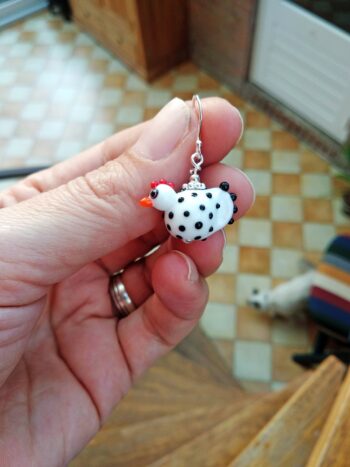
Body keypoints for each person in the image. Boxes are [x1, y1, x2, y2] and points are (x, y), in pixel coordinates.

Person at [0, 97, 254, 466]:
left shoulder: (180, 211)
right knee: (179, 274)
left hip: (212, 205)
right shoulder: (175, 215)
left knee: (181, 271)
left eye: (153, 197)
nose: (149, 202)